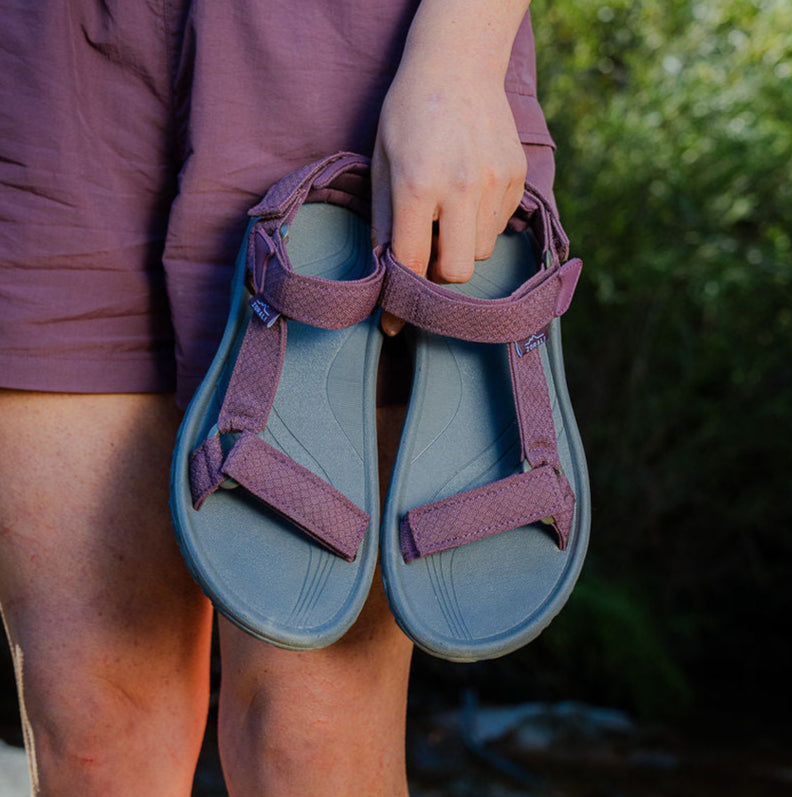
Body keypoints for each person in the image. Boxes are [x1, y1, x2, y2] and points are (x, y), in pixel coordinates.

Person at [0, 0, 558, 793]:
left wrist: (460, 58)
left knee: (312, 740)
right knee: (94, 736)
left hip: (345, 42)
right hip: (41, 61)